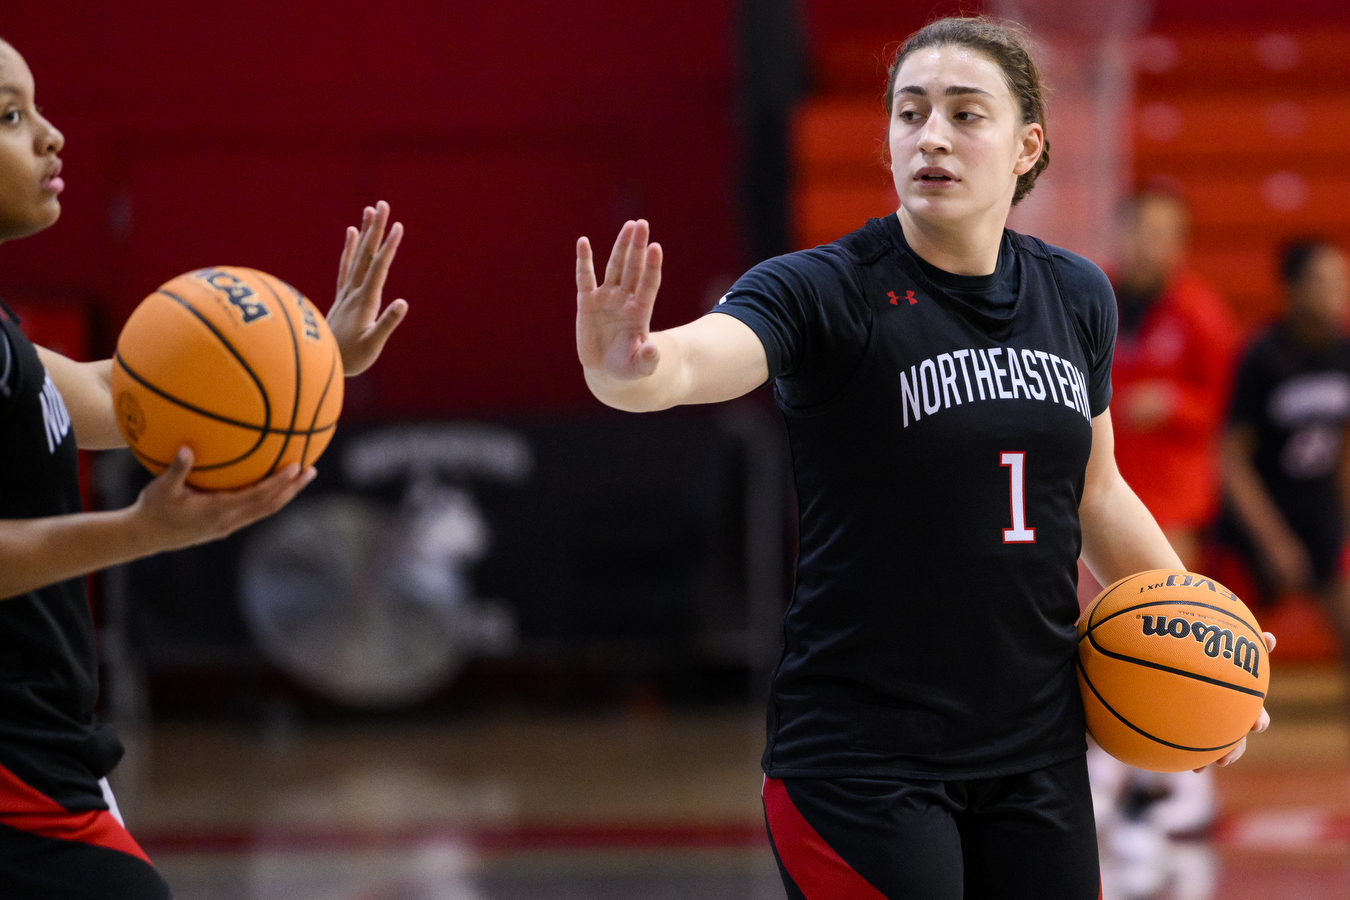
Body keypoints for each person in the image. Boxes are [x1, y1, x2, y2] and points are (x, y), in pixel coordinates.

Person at [575, 16, 1272, 900]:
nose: (930, 135)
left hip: (1034, 748)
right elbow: (698, 357)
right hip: (863, 759)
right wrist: (631, 370)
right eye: (910, 113)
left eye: (964, 113)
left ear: (1028, 145)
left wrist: (1202, 629)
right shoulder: (822, 289)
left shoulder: (1074, 293)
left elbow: (1096, 492)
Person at [0, 38, 408, 899]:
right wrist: (138, 532)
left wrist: (313, 355)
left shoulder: (4, 341)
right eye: (9, 116)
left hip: (44, 750)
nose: (50, 136)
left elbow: (116, 394)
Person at [1087, 187, 1238, 839]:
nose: (1152, 244)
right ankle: (1099, 772)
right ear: (1121, 232)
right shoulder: (1090, 298)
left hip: (1173, 497)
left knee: (1176, 636)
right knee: (1095, 633)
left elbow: (1223, 411)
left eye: (1166, 233)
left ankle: (1182, 777)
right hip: (1098, 492)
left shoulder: (1202, 312)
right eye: (1142, 230)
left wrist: (1171, 404)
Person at [1219, 239, 1350, 717]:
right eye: (1321, 280)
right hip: (1259, 514)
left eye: (1340, 279)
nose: (1336, 291)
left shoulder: (1344, 353)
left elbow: (1342, 448)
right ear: (1293, 288)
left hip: (1318, 510)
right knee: (1227, 640)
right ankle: (1210, 732)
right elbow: (1232, 458)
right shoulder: (1262, 356)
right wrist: (1272, 540)